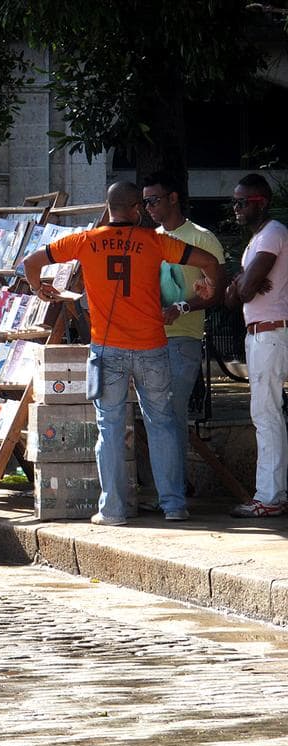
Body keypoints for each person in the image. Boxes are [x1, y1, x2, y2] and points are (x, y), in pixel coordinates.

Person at [22, 181, 223, 526]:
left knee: (109, 427)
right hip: (152, 347)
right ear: (135, 209)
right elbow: (209, 261)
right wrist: (210, 283)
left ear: (109, 206)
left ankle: (112, 510)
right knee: (162, 424)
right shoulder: (155, 241)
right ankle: (174, 505)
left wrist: (38, 287)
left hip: (107, 349)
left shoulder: (85, 241)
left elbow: (32, 260)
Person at [141, 172, 226, 505]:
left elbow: (218, 292)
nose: (148, 207)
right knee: (159, 415)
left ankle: (173, 495)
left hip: (183, 339)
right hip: (149, 340)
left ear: (173, 198)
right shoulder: (150, 238)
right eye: (144, 201)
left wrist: (184, 305)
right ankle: (172, 489)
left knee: (170, 413)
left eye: (154, 200)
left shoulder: (202, 238)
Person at [224, 173, 288, 518]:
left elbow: (243, 292)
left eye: (241, 202)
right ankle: (274, 493)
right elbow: (232, 297)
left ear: (260, 202)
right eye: (234, 202)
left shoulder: (273, 234)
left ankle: (269, 497)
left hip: (271, 332)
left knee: (266, 414)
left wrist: (243, 282)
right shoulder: (257, 240)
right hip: (262, 332)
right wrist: (242, 281)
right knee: (268, 414)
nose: (235, 208)